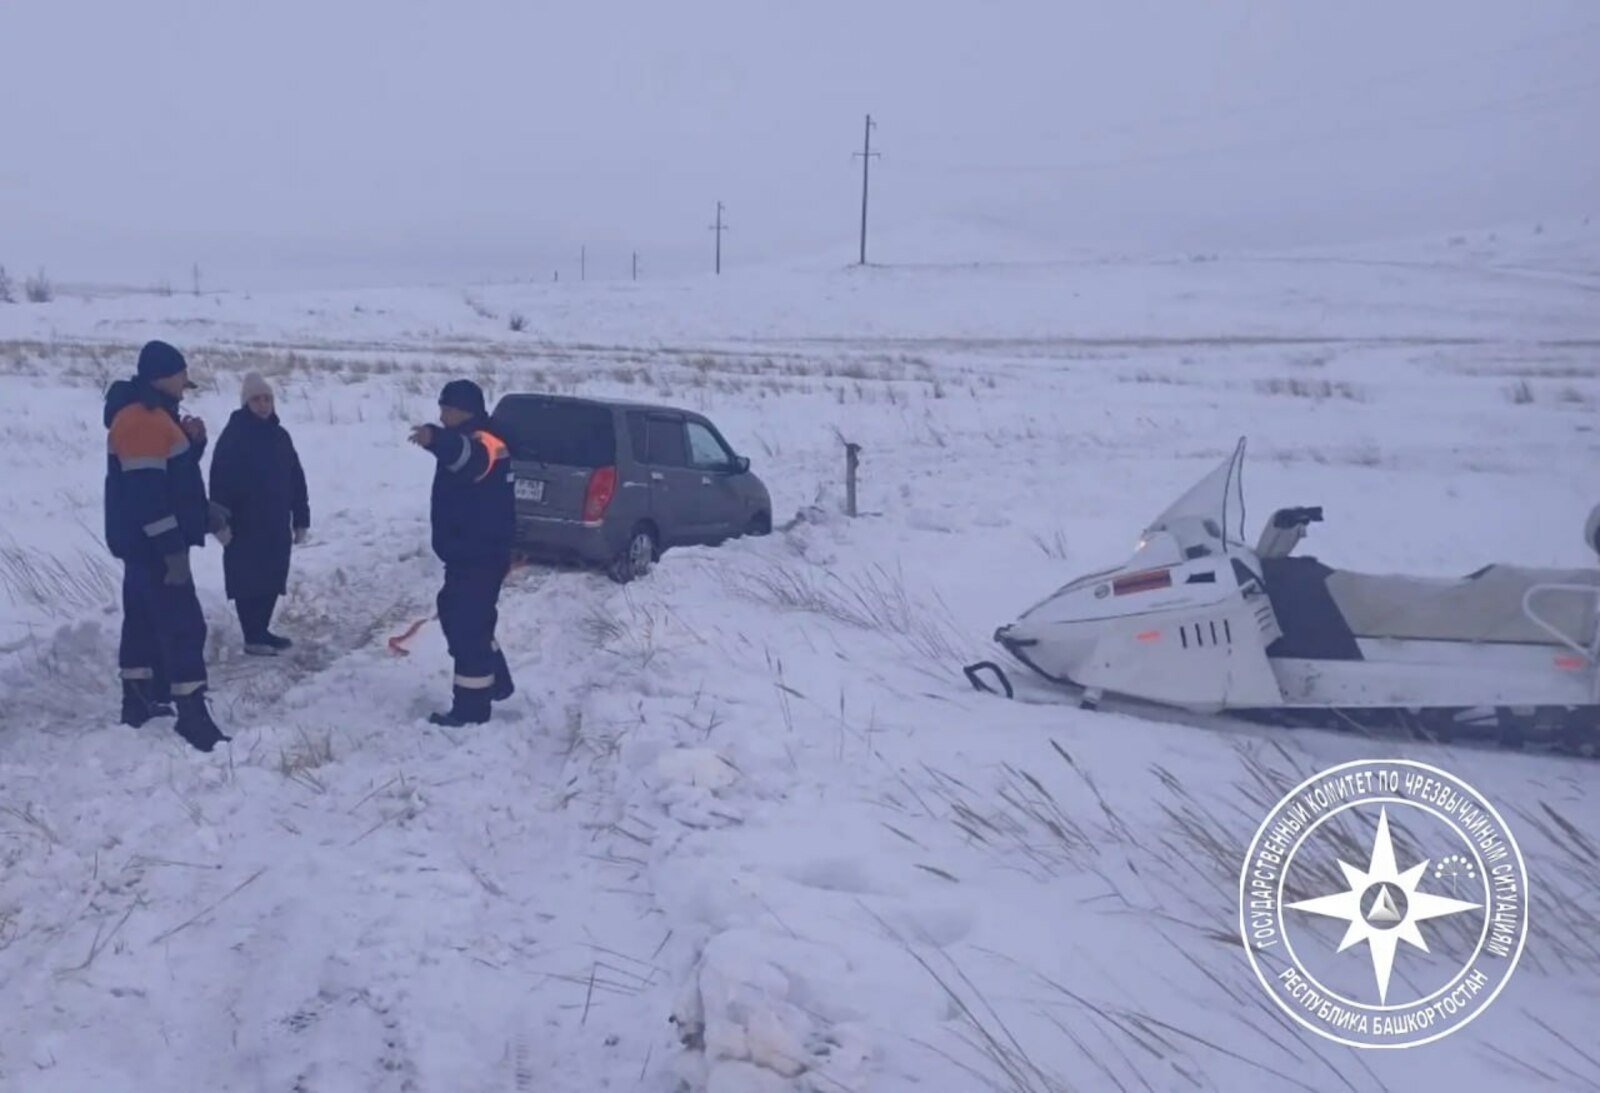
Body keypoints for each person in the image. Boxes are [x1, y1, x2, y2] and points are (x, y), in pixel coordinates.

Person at [104, 339, 231, 752]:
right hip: (156, 548)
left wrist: (193, 447)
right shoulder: (143, 420)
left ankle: (138, 703)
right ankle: (192, 718)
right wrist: (173, 550)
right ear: (165, 375)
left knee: (141, 622)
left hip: (143, 548)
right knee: (183, 626)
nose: (185, 385)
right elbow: (147, 497)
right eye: (181, 377)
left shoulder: (154, 416)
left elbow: (168, 478)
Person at [409, 379, 515, 726]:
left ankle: (472, 709)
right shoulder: (472, 437)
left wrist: (435, 439)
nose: (442, 415)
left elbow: (467, 458)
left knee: (468, 626)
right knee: (457, 613)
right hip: (468, 553)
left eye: (447, 409)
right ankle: (495, 678)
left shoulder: (485, 442)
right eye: (440, 408)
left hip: (481, 554)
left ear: (465, 411)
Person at [208, 372, 310, 655]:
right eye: (257, 399)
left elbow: (296, 478)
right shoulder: (234, 437)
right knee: (248, 578)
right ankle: (252, 635)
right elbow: (219, 481)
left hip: (276, 522)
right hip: (244, 523)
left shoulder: (280, 436)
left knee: (272, 575)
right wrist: (219, 522)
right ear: (246, 403)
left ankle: (262, 630)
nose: (263, 404)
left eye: (267, 399)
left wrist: (301, 517)